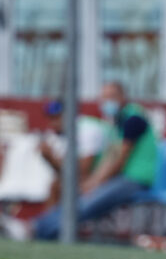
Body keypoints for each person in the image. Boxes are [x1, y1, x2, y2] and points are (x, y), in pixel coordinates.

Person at [2, 82, 157, 240]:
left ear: (123, 97)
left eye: (112, 97)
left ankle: (35, 230)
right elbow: (110, 158)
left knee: (86, 201)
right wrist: (92, 182)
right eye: (103, 98)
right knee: (71, 192)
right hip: (121, 178)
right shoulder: (117, 122)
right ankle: (37, 228)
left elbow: (118, 160)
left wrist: (94, 183)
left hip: (136, 180)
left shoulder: (133, 119)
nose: (107, 102)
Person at [38, 100, 111, 210]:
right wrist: (49, 158)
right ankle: (51, 223)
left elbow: (83, 170)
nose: (53, 123)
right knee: (56, 184)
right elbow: (64, 170)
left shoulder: (87, 128)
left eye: (57, 117)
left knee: (60, 185)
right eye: (51, 118)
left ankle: (53, 224)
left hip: (105, 176)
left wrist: (51, 158)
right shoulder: (60, 135)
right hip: (86, 177)